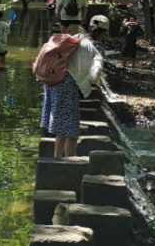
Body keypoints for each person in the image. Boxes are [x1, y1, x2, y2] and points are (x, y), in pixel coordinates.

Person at [34, 27, 103, 158]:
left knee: (61, 128)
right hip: (67, 85)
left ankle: (57, 158)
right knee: (71, 128)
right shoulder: (92, 49)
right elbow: (95, 75)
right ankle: (70, 160)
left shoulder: (75, 40)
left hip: (55, 82)